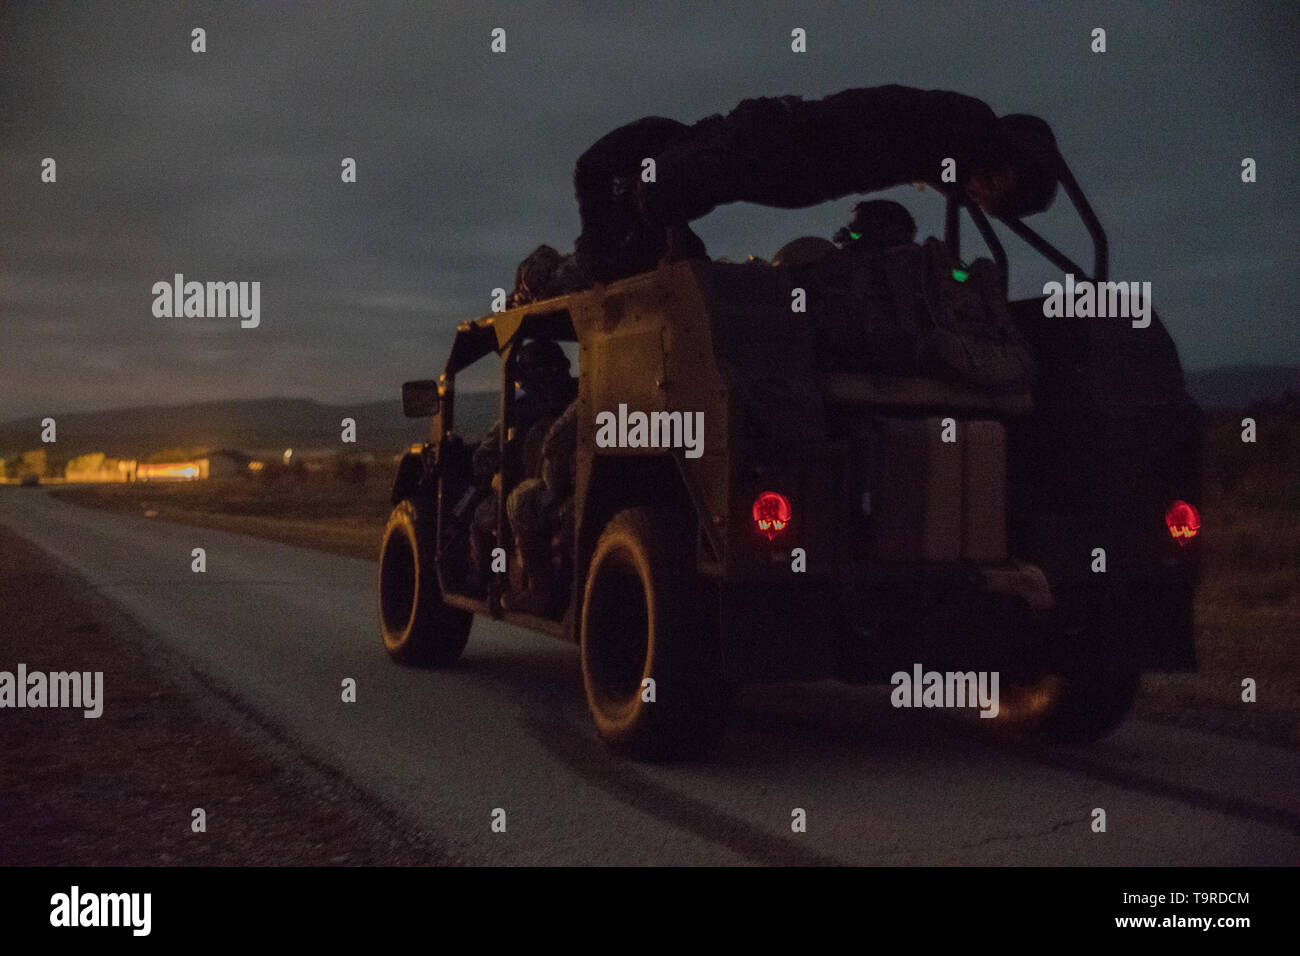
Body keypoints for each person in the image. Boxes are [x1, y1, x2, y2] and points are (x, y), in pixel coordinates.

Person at [469, 339, 578, 582]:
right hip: (565, 484)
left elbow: (483, 459)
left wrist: (482, 462)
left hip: (543, 487)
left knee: (481, 516)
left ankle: (492, 577)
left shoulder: (518, 411)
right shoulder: (582, 395)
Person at [503, 399, 578, 616]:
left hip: (577, 492)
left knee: (521, 500)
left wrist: (557, 485)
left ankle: (539, 591)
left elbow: (553, 444)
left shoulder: (584, 401)